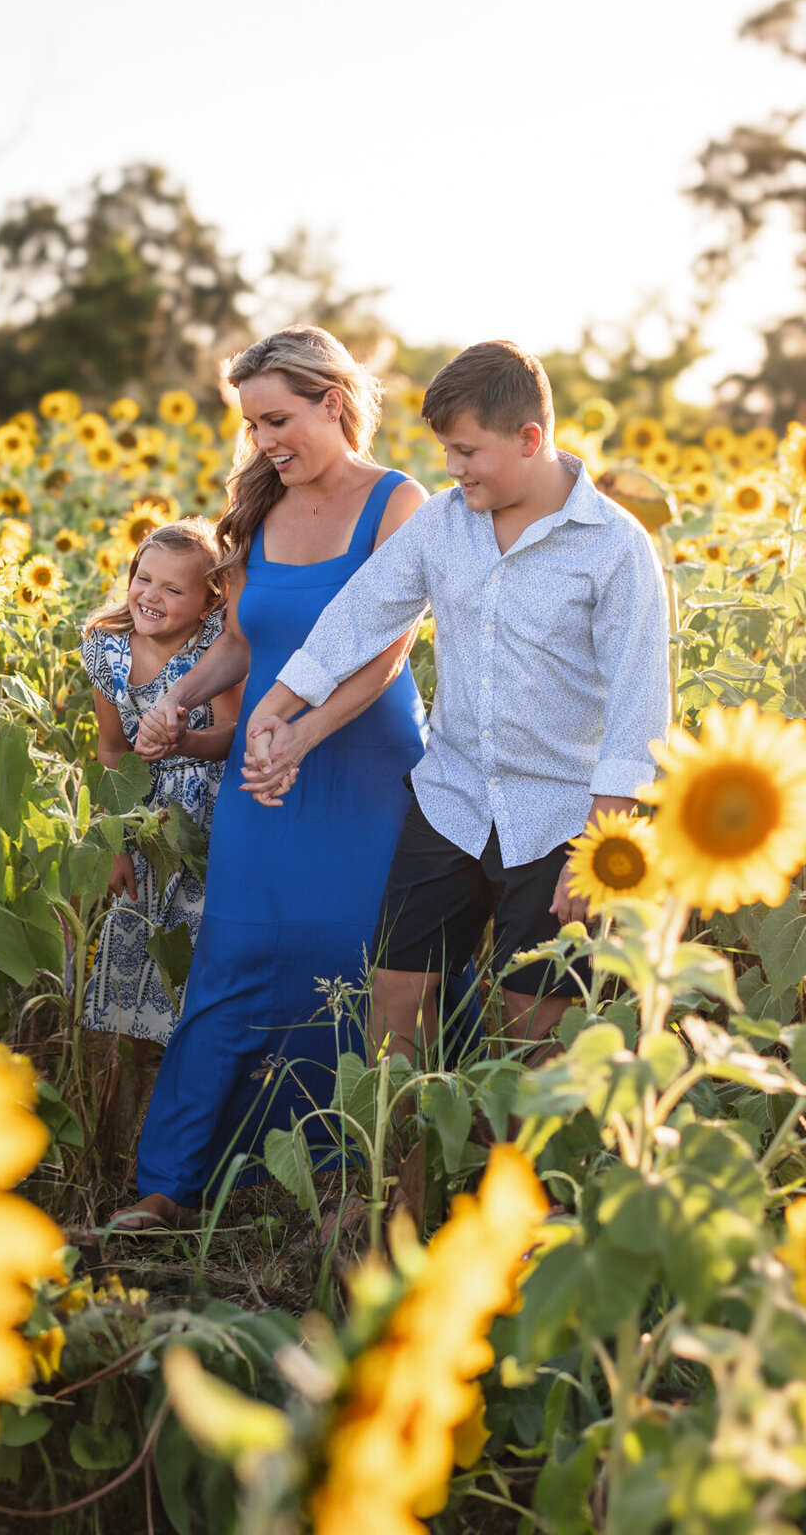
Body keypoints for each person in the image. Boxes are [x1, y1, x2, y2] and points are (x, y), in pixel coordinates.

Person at [246, 339, 672, 1068]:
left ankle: (514, 1173)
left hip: (562, 821)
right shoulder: (446, 522)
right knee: (393, 994)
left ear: (530, 439)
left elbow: (640, 704)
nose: (452, 468)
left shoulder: (614, 547)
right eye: (446, 449)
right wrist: (279, 705)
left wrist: (601, 854)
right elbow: (365, 611)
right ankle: (394, 1170)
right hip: (452, 796)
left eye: (468, 451)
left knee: (531, 1025)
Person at [115, 326, 430, 1230]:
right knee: (233, 959)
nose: (265, 443)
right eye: (253, 425)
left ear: (335, 401)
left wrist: (303, 731)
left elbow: (387, 650)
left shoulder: (397, 503)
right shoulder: (258, 510)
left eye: (279, 419)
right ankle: (171, 1185)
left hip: (364, 768)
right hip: (264, 768)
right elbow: (248, 644)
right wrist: (180, 701)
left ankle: (332, 1183)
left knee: (349, 966)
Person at [79, 519, 242, 1049]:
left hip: (205, 817)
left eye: (173, 589)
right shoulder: (106, 651)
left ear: (208, 601)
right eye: (144, 578)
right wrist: (114, 842)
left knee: (195, 939)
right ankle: (130, 1054)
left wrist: (183, 743)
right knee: (136, 930)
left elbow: (229, 733)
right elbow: (111, 749)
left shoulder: (214, 649)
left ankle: (188, 1051)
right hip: (142, 818)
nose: (151, 596)